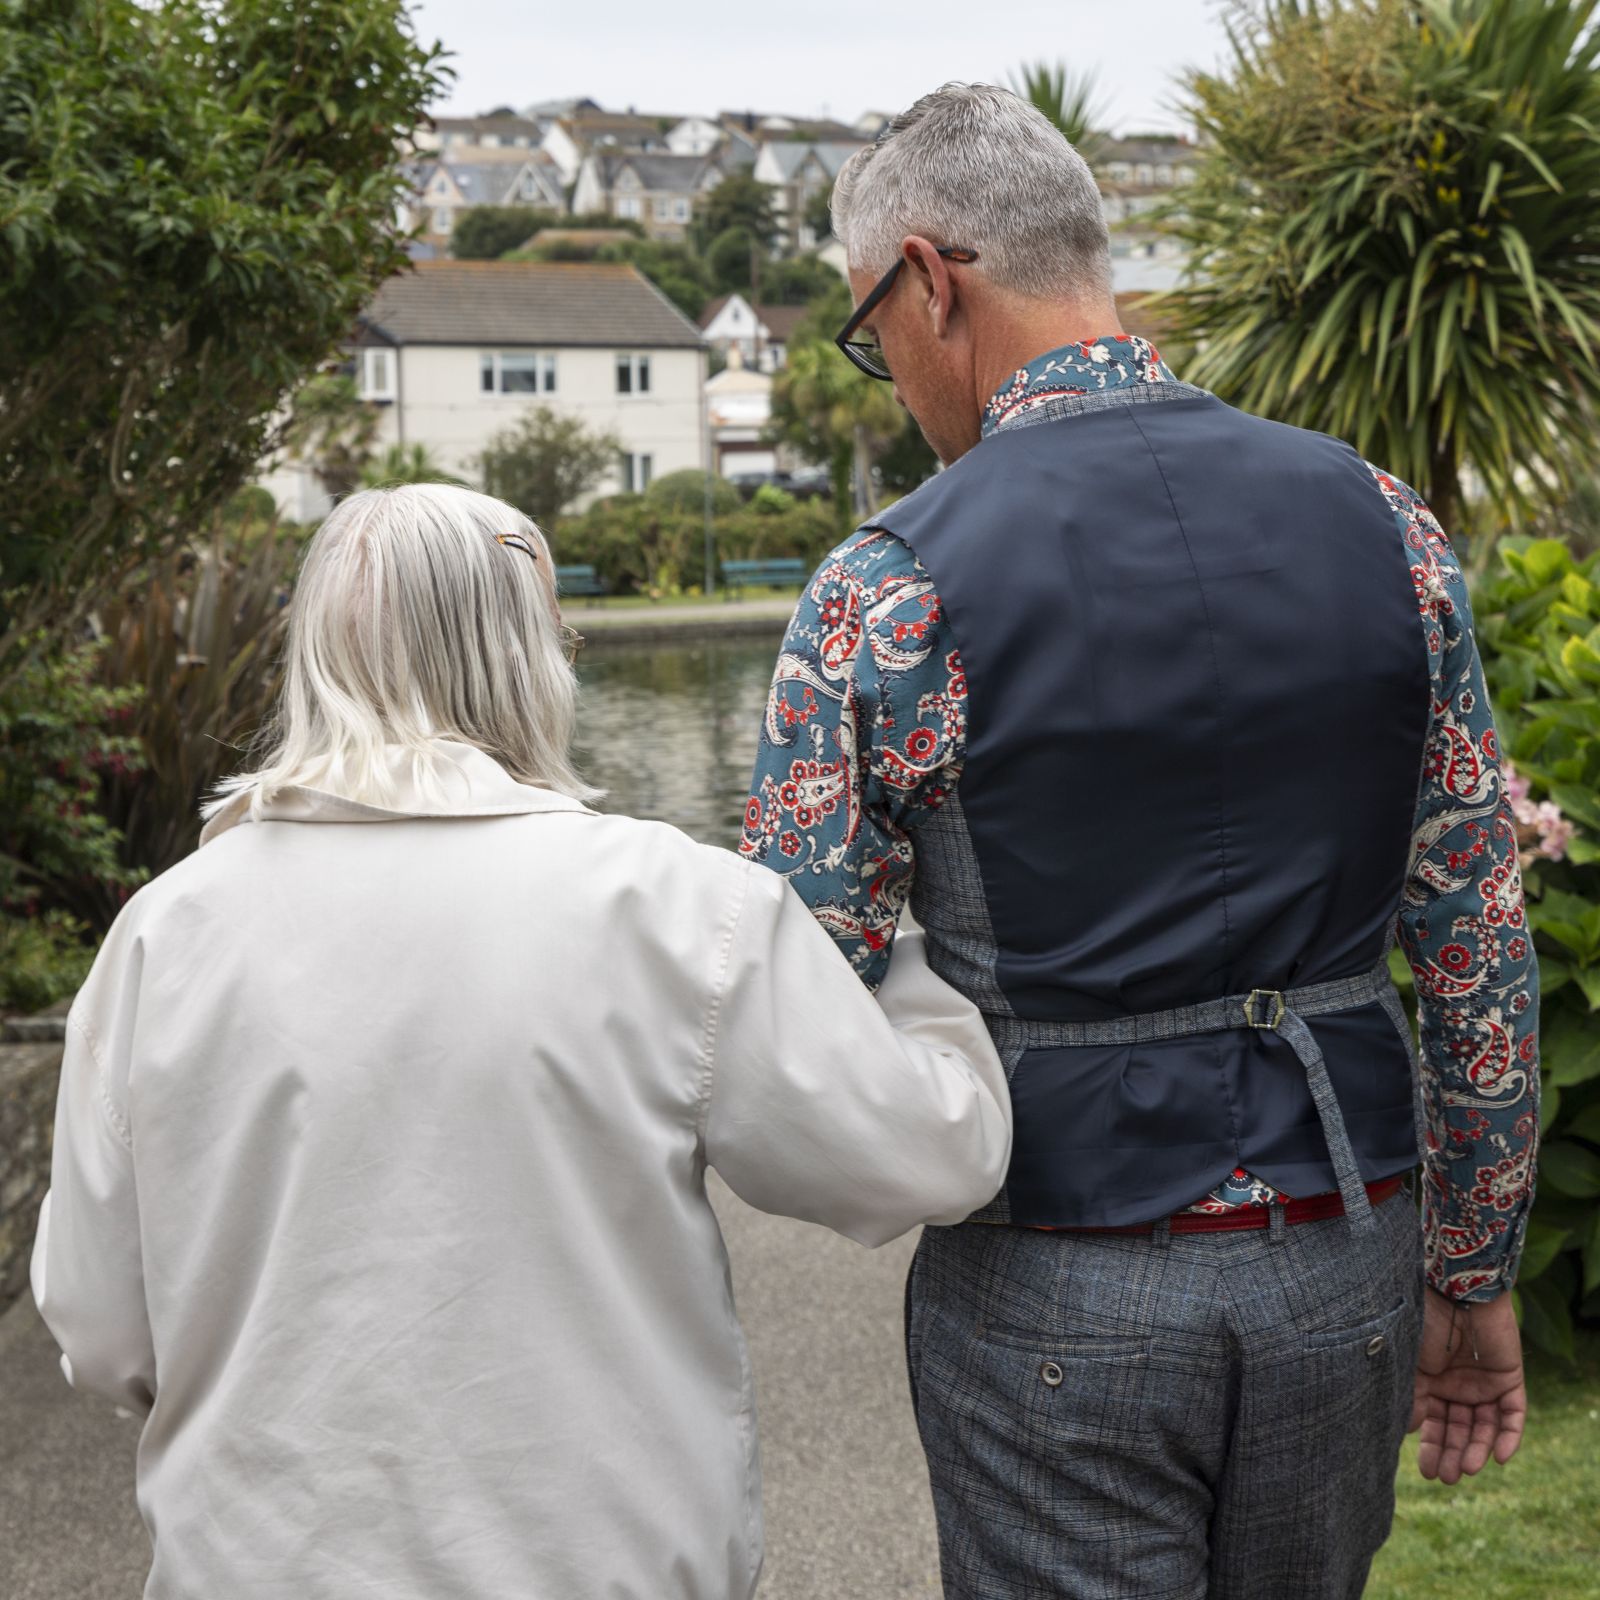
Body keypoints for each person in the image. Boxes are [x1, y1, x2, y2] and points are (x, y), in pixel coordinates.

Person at [740, 83, 1538, 1599]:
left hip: (1055, 1261)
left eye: (871, 330)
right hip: (1343, 1253)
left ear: (929, 280)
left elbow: (797, 977)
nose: (891, 373)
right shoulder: (1389, 529)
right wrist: (1473, 1271)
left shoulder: (888, 590)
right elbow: (1477, 939)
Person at [30, 483, 1013, 1600]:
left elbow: (103, 1327)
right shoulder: (676, 904)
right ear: (522, 659)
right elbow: (927, 1153)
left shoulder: (164, 932)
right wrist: (919, 955)